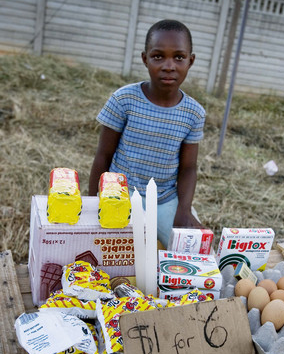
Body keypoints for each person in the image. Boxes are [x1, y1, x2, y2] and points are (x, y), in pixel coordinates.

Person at [88, 19, 205, 248]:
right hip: (119, 194)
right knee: (117, 250)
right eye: (158, 56)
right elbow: (103, 156)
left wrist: (184, 210)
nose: (168, 65)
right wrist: (93, 203)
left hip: (164, 199)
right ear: (145, 59)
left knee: (194, 247)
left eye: (178, 57)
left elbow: (188, 167)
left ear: (190, 61)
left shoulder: (194, 113)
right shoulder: (124, 100)